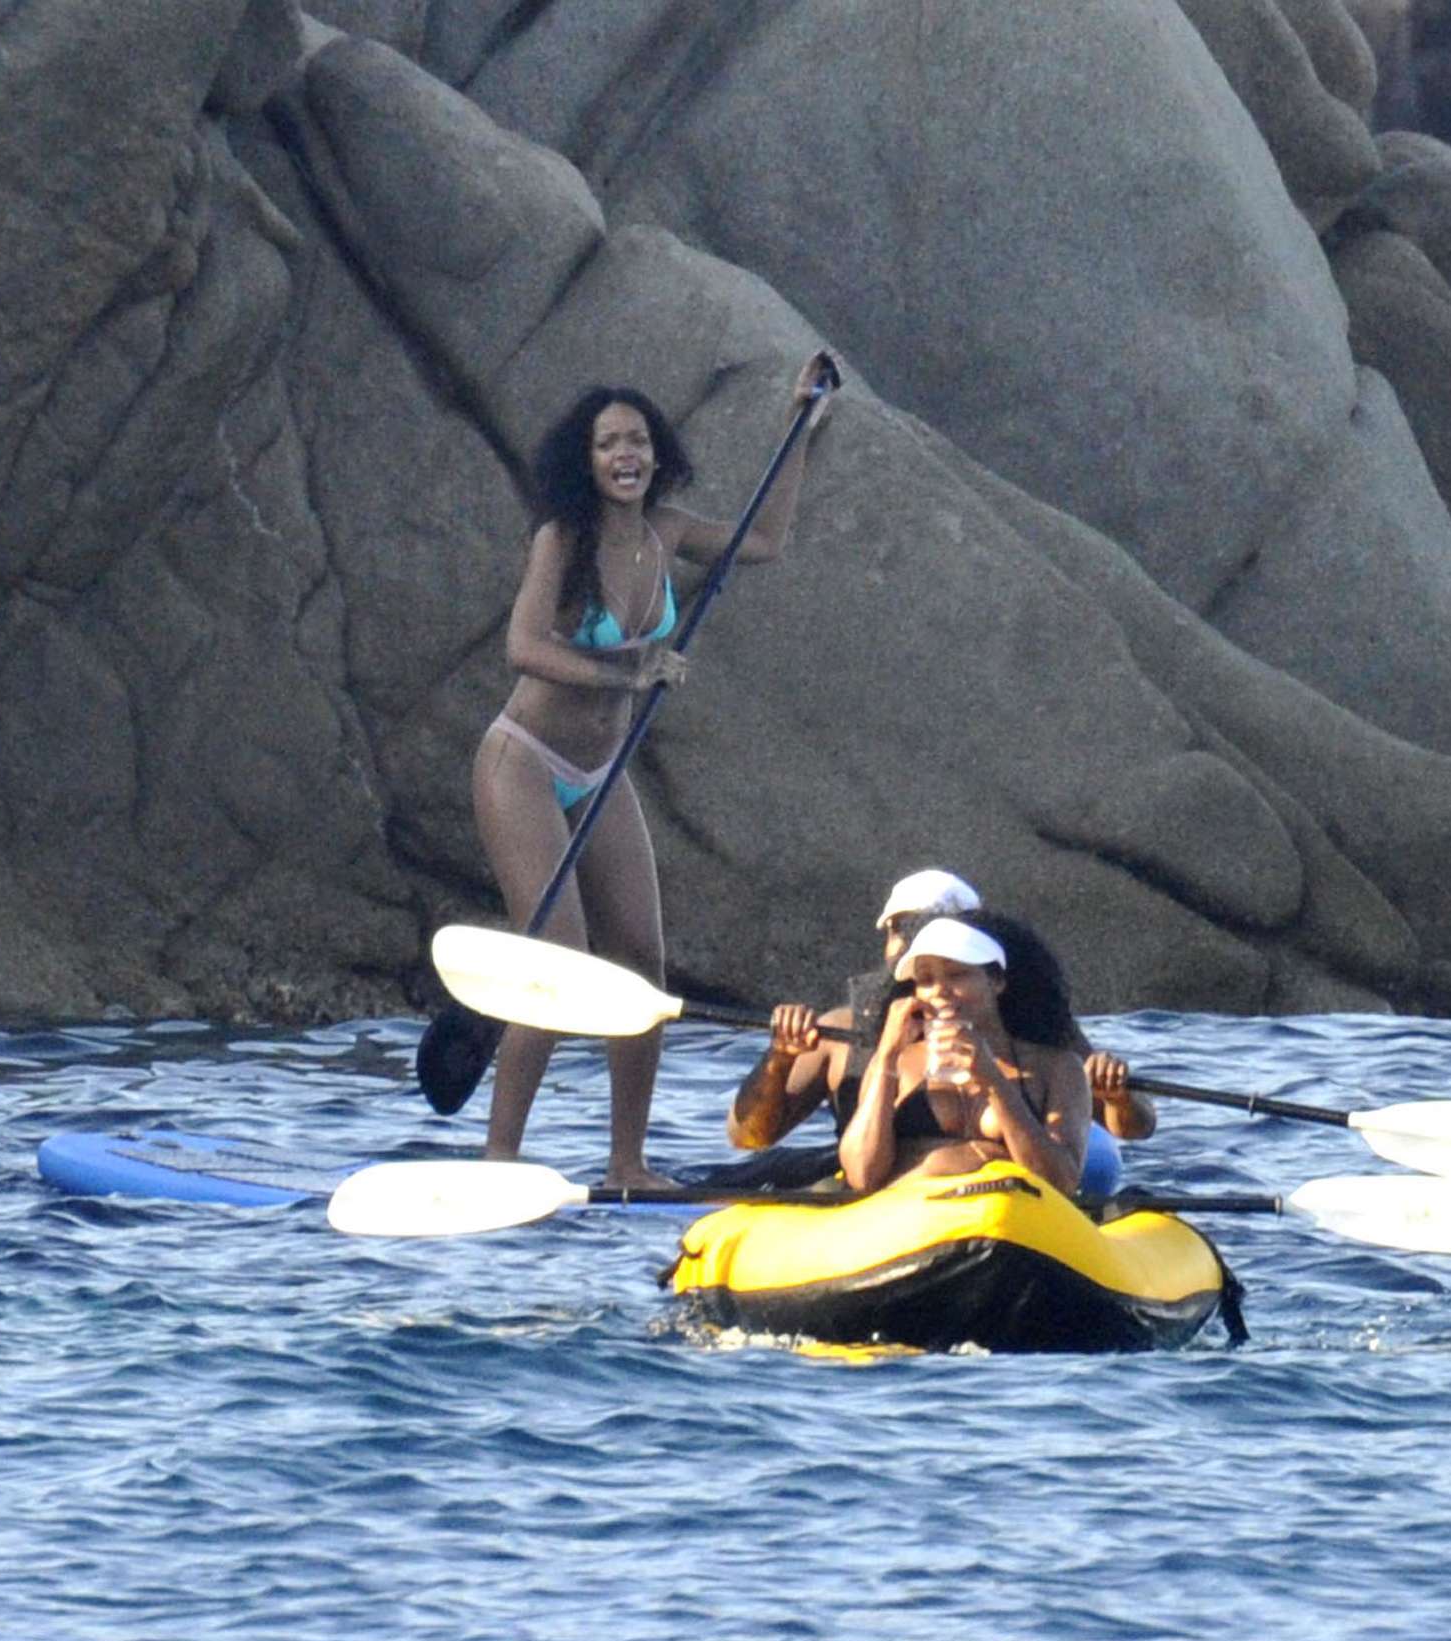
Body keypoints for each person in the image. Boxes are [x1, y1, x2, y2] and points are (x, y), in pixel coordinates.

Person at [473, 353, 836, 1177]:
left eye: (637, 440)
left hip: (604, 769)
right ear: (588, 461)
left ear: (655, 452)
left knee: (641, 963)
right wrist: (628, 672)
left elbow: (766, 540)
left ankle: (627, 1163)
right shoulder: (561, 538)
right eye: (608, 445)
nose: (625, 455)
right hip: (523, 762)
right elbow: (522, 648)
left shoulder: (666, 532)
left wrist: (799, 427)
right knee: (554, 960)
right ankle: (499, 1158)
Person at [726, 873, 1156, 1168]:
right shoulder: (840, 1029)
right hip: (890, 1200)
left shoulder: (1039, 1030)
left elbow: (1137, 1127)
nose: (910, 943)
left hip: (1014, 1208)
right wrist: (779, 1059)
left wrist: (1116, 1097)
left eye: (957, 969)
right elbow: (748, 1137)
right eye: (900, 930)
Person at [837, 912, 1091, 1196]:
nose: (940, 991)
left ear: (996, 982)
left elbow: (1062, 1182)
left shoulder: (1056, 1067)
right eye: (925, 980)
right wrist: (886, 1053)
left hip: (1013, 1217)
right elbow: (862, 1175)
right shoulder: (897, 1062)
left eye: (957, 974)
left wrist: (992, 1079)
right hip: (915, 1218)